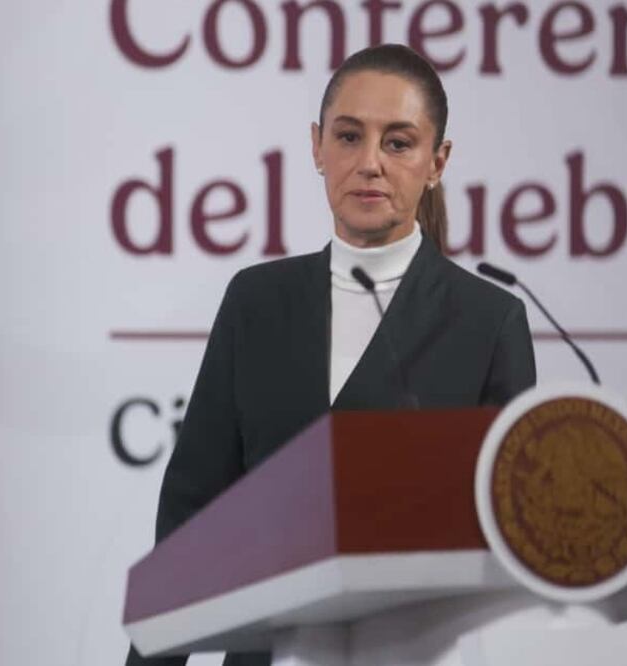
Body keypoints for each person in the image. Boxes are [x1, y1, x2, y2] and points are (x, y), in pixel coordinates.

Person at [125, 43, 536, 666]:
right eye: (348, 136)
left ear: (437, 160)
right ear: (316, 146)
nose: (369, 163)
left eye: (398, 143)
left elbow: (514, 531)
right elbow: (193, 504)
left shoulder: (489, 320)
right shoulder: (257, 301)